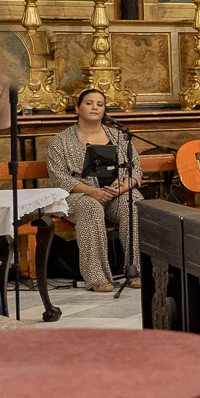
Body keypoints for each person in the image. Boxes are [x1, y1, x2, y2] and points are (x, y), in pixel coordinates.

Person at [47, 89, 141, 291]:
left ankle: (135, 272)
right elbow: (59, 178)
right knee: (91, 208)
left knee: (132, 205)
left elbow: (136, 170)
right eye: (89, 103)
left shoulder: (118, 137)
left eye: (100, 104)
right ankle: (97, 278)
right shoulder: (61, 141)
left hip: (116, 194)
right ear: (78, 107)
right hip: (78, 196)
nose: (95, 107)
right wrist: (91, 191)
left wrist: (122, 187)